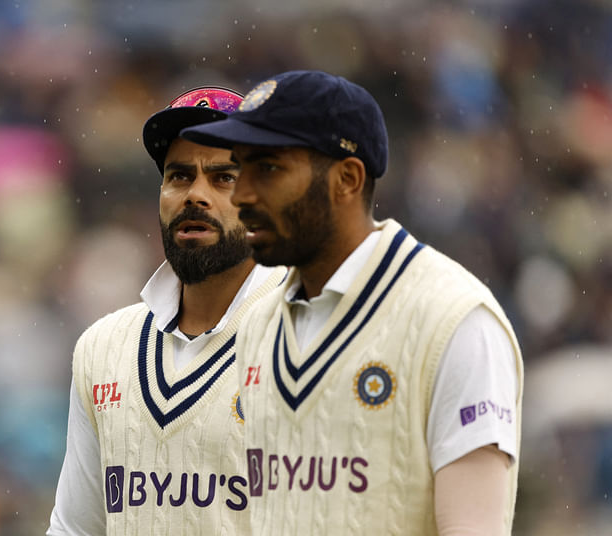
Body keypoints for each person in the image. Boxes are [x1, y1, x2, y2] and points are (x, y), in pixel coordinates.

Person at [181, 70, 523, 535]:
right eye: (242, 168)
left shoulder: (454, 320)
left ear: (347, 179)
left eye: (269, 169)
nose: (241, 195)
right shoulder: (259, 322)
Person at [46, 86, 286, 535]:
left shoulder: (310, 339)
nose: (195, 195)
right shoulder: (104, 347)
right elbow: (76, 528)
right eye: (179, 176)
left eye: (223, 178)